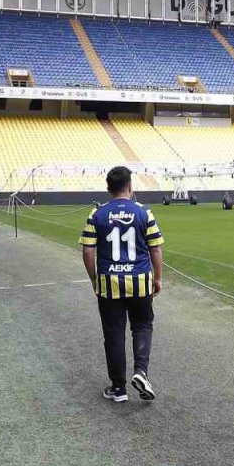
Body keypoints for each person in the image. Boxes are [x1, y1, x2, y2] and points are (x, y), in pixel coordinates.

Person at [80, 165, 163, 403]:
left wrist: (95, 279)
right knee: (143, 326)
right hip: (140, 281)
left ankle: (118, 388)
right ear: (130, 186)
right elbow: (155, 248)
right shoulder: (144, 212)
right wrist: (157, 278)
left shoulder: (96, 214)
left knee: (114, 334)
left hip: (109, 283)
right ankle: (141, 372)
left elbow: (87, 250)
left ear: (108, 188)